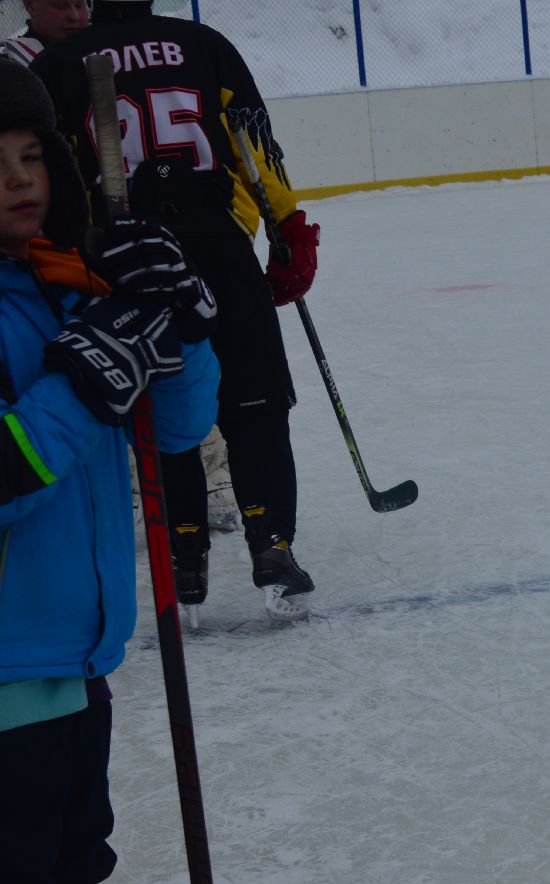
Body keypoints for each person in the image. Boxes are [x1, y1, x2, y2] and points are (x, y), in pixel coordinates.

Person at [0, 63, 218, 884]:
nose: (18, 182)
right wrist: (90, 375)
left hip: (74, 649)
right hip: (4, 667)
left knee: (67, 862)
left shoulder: (59, 283)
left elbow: (173, 429)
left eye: (32, 156)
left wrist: (174, 319)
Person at [32, 0, 323, 620]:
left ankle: (182, 553)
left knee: (162, 404)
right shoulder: (203, 43)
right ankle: (272, 545)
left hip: (124, 260)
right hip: (216, 243)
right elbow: (252, 144)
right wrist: (287, 223)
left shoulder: (58, 61)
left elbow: (50, 173)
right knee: (257, 402)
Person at [0, 0, 89, 65]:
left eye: (79, 5)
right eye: (61, 6)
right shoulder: (10, 62)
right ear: (30, 5)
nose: (74, 16)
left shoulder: (98, 48)